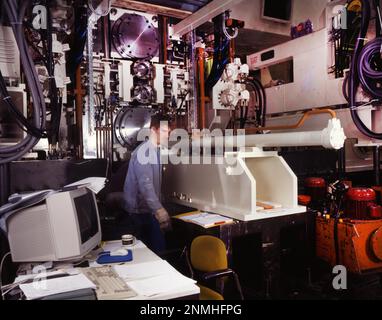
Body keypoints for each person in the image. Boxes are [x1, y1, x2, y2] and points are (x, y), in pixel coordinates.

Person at [123, 114, 172, 253]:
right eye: (163, 132)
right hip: (140, 215)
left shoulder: (155, 150)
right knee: (153, 254)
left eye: (168, 132)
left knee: (157, 253)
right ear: (152, 130)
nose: (166, 136)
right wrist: (159, 210)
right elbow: (146, 186)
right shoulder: (144, 153)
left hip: (148, 212)